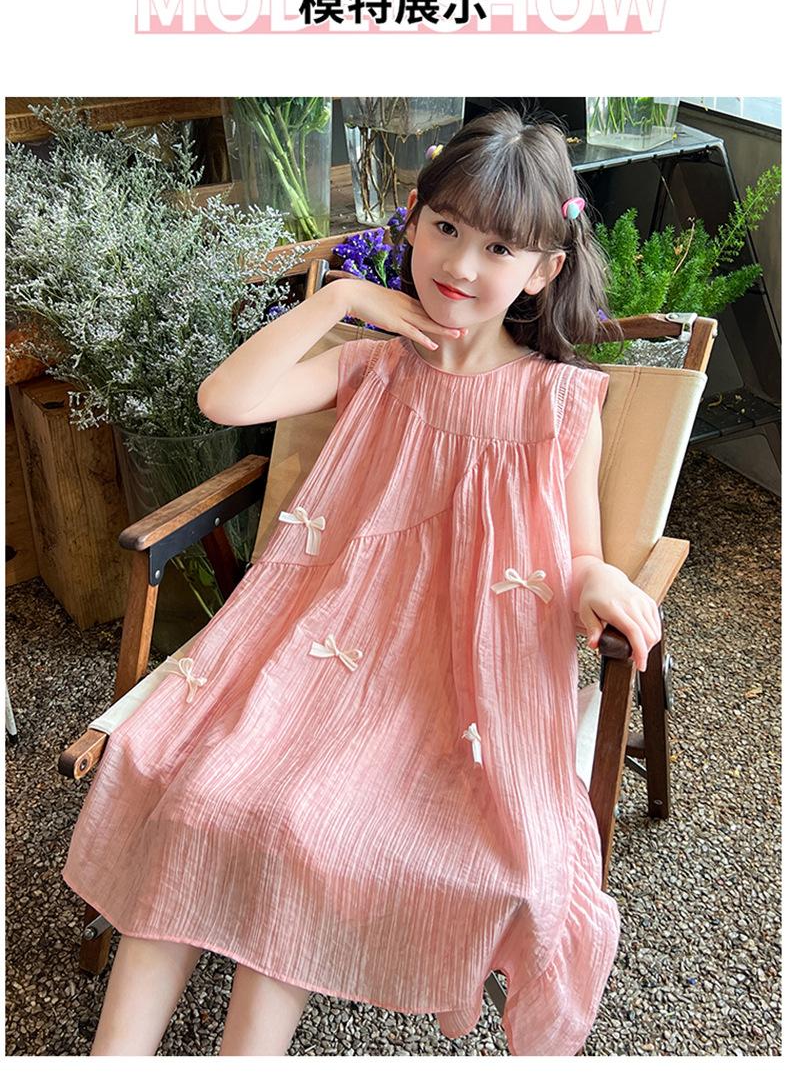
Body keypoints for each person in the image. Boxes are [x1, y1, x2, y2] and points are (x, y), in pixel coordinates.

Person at [61, 108, 661, 1057]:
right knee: (200, 784)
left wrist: (598, 579)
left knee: (304, 824)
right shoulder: (371, 366)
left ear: (543, 269)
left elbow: (579, 547)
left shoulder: (558, 400)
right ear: (412, 218)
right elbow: (225, 399)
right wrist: (342, 297)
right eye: (446, 227)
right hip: (313, 646)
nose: (460, 264)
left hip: (441, 688)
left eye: (498, 247)